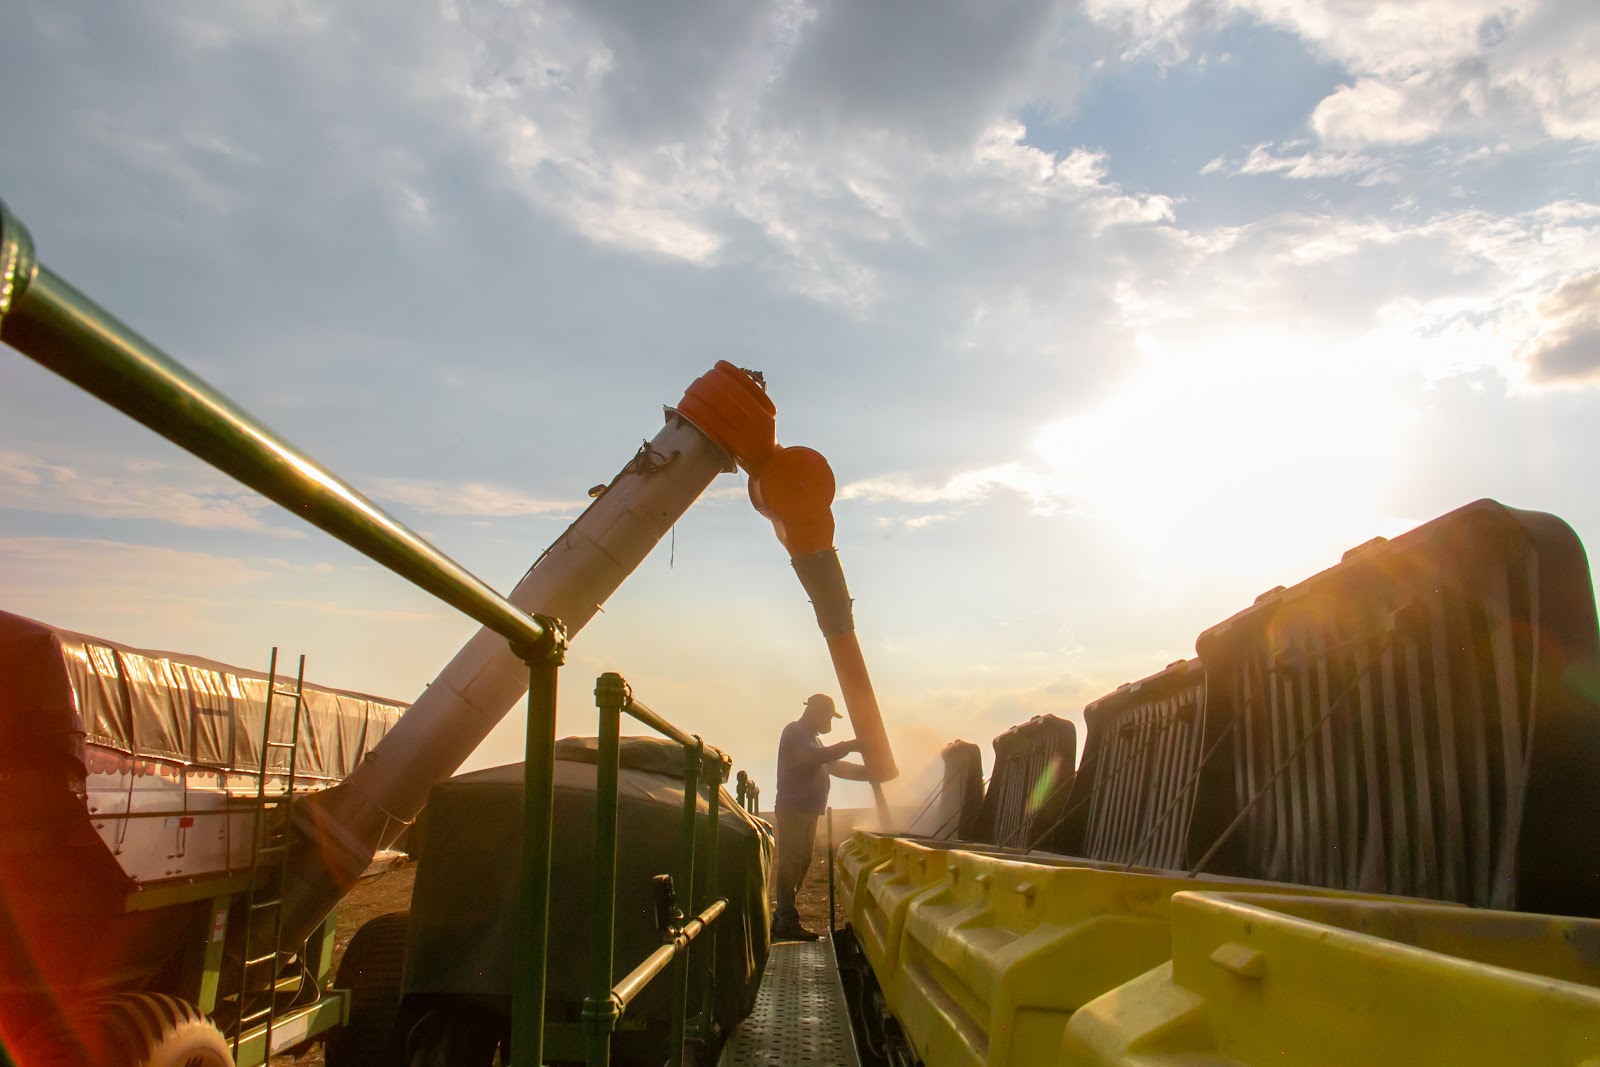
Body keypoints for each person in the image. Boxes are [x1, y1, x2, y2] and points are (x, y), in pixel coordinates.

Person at [771, 692, 870, 941]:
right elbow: (816, 758)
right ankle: (786, 920)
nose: (830, 723)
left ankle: (782, 918)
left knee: (801, 861)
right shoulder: (794, 732)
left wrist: (871, 773)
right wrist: (849, 746)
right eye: (828, 717)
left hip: (807, 809)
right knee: (791, 861)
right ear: (814, 711)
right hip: (793, 808)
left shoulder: (814, 740)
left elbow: (834, 766)